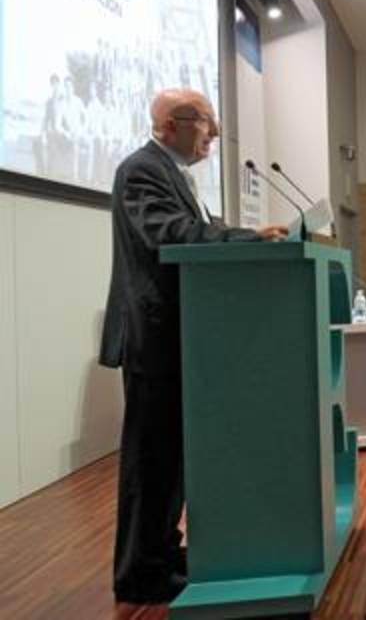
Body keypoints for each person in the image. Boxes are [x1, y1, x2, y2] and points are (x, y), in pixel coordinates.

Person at [101, 89, 287, 604]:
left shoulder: (171, 172)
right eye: (208, 121)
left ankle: (161, 551)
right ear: (172, 123)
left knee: (171, 456)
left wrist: (243, 236)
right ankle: (140, 573)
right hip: (154, 337)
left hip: (177, 337)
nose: (216, 132)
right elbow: (171, 233)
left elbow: (196, 229)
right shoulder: (141, 169)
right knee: (152, 458)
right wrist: (244, 240)